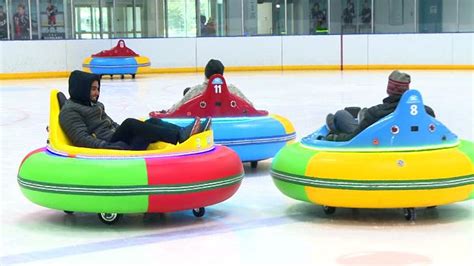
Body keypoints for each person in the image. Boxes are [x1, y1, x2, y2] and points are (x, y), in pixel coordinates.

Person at [59, 70, 211, 150]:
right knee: (130, 124)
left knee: (151, 121)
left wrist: (122, 133)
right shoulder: (70, 111)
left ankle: (183, 132)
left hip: (115, 139)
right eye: (92, 89)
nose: (97, 93)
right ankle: (180, 135)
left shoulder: (95, 105)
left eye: (97, 89)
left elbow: (111, 123)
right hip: (108, 144)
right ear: (81, 89)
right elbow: (81, 138)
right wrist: (106, 147)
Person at [325, 70, 436, 142]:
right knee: (364, 112)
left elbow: (354, 138)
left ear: (389, 89)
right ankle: (361, 116)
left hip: (374, 139)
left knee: (341, 115)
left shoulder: (376, 113)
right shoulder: (427, 112)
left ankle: (358, 118)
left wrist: (334, 138)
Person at [168, 59, 253, 113]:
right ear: (222, 75)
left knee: (186, 91)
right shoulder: (232, 90)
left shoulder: (196, 91)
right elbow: (250, 106)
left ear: (205, 74)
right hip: (226, 115)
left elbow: (175, 109)